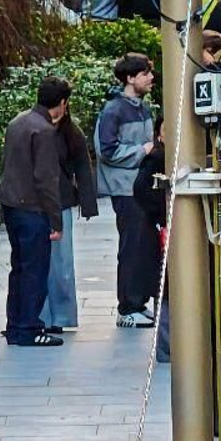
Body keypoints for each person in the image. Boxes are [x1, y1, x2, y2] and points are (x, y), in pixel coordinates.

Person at [0, 76, 71, 346]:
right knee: (35, 271)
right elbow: (46, 180)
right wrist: (56, 220)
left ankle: (15, 325)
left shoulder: (18, 121)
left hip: (11, 203)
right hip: (32, 208)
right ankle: (28, 328)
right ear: (62, 103)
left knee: (19, 268)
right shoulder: (45, 130)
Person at [96, 53, 160, 327]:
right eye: (145, 73)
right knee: (132, 245)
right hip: (124, 188)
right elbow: (107, 150)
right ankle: (128, 305)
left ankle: (138, 301)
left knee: (144, 245)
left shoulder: (142, 107)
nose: (150, 77)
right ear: (130, 78)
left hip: (141, 185)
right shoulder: (114, 110)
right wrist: (141, 151)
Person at [40, 99, 98, 333]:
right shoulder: (37, 127)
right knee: (42, 263)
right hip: (38, 201)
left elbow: (83, 167)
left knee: (61, 263)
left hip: (61, 200)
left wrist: (88, 203)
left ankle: (60, 317)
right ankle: (42, 316)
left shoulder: (71, 132)